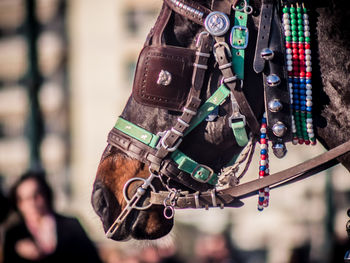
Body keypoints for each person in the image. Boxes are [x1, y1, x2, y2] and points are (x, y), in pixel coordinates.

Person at [3, 171, 103, 263]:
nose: (32, 203)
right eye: (25, 199)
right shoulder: (14, 235)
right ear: (19, 204)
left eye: (36, 195)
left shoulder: (72, 225)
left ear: (46, 195)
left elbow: (92, 258)